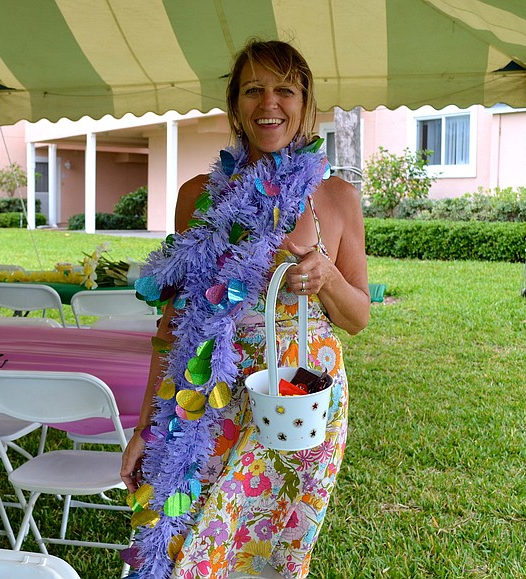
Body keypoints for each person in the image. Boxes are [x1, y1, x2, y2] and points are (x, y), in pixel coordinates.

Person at [121, 38, 370, 578]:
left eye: (285, 90)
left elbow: (358, 317)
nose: (269, 104)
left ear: (306, 104)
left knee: (272, 554)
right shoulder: (198, 197)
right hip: (208, 392)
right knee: (188, 541)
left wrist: (326, 276)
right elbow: (172, 325)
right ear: (235, 103)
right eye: (253, 90)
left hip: (299, 399)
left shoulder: (335, 199)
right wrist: (145, 427)